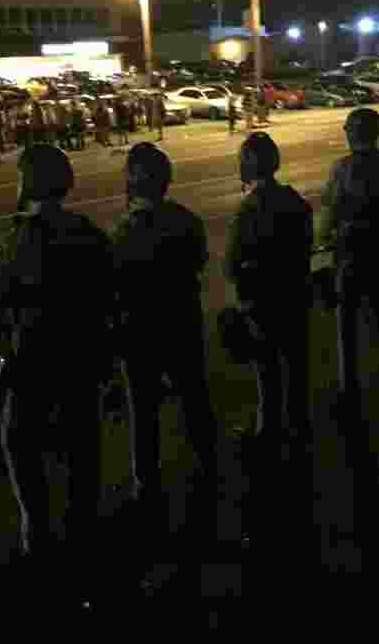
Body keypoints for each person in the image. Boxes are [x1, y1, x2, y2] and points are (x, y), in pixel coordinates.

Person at [0, 145, 115, 607]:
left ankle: (37, 534)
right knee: (81, 452)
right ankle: (85, 536)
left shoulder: (13, 241)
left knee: (23, 449)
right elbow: (110, 305)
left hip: (30, 363)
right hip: (80, 362)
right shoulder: (89, 234)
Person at [112, 143, 219, 558]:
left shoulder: (125, 230)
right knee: (194, 396)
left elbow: (117, 286)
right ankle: (206, 464)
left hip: (141, 332)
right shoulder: (186, 221)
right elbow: (198, 264)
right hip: (182, 324)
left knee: (144, 410)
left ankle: (147, 483)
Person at [222, 132, 313, 549]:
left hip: (263, 299)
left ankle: (269, 433)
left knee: (267, 370)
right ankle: (296, 428)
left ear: (254, 164)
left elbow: (232, 262)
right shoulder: (293, 199)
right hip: (293, 293)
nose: (240, 164)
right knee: (294, 362)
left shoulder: (250, 207)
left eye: (244, 158)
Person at [319, 108, 379, 426]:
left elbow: (330, 209)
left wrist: (320, 239)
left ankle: (349, 386)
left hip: (351, 249)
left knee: (347, 321)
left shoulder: (343, 167)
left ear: (352, 133)